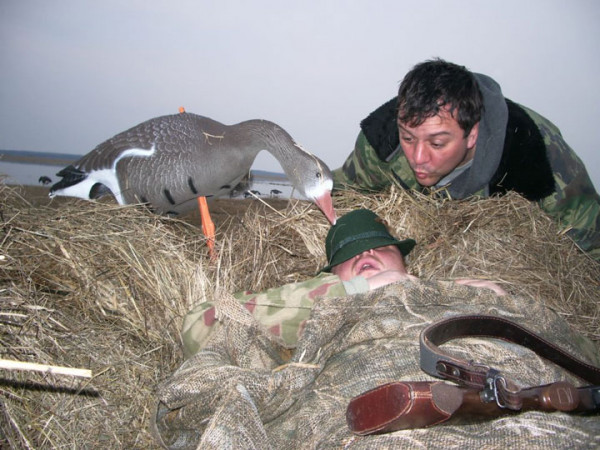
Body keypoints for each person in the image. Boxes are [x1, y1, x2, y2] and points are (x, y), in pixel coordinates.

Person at [333, 59, 600, 261]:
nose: (418, 158)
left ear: (472, 134)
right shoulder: (382, 140)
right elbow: (343, 193)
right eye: (408, 138)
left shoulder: (538, 160)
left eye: (437, 143)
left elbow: (589, 243)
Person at [181, 208, 505, 357]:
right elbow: (200, 323)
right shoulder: (315, 307)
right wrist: (352, 292)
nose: (366, 254)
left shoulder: (440, 294)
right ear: (332, 276)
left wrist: (451, 292)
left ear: (404, 262)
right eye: (350, 255)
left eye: (381, 247)